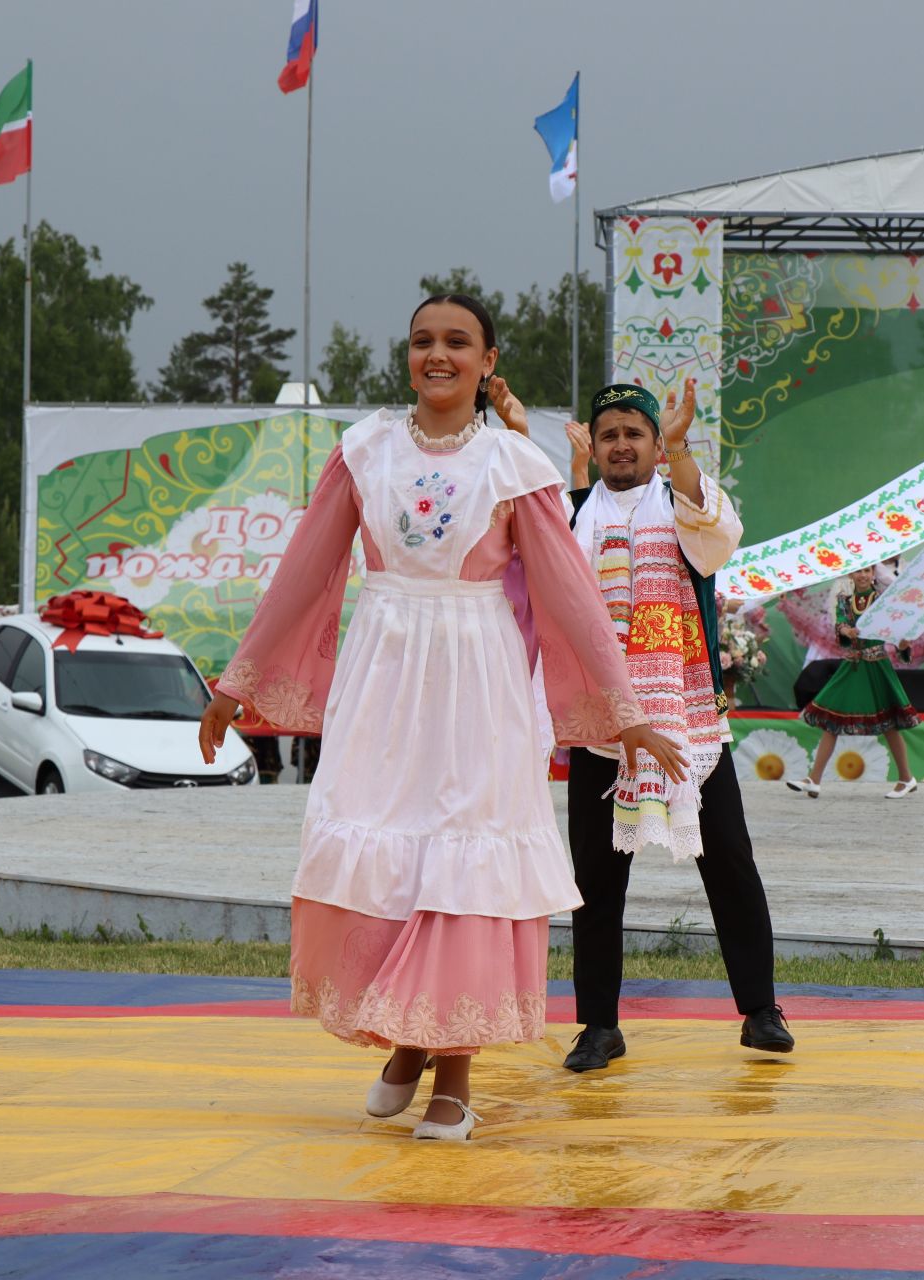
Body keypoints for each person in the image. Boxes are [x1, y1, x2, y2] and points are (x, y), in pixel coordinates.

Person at [199, 294, 683, 1141]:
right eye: (423, 340)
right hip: (384, 676)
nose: (438, 355)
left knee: (464, 862)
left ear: (488, 362)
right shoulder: (365, 451)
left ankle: (453, 1068)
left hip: (477, 678)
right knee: (391, 854)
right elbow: (306, 570)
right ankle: (408, 1041)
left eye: (458, 342)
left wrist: (626, 709)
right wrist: (238, 680)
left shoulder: (514, 465)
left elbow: (569, 593)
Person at [560, 380, 793, 1072]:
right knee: (596, 885)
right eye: (610, 435)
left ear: (656, 445)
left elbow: (717, 534)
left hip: (685, 719)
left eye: (635, 433)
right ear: (596, 448)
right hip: (607, 725)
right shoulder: (576, 514)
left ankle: (761, 1011)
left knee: (730, 863)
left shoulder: (682, 502)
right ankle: (598, 1025)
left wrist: (685, 449)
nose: (622, 445)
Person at [790, 565, 921, 798]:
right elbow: (840, 625)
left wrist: (903, 645)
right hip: (852, 667)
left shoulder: (882, 600)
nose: (862, 575)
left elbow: (896, 632)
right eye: (858, 571)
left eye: (867, 571)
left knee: (889, 723)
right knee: (832, 720)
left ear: (874, 575)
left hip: (877, 667)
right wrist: (845, 631)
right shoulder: (844, 600)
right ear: (851, 574)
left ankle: (906, 778)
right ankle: (814, 779)